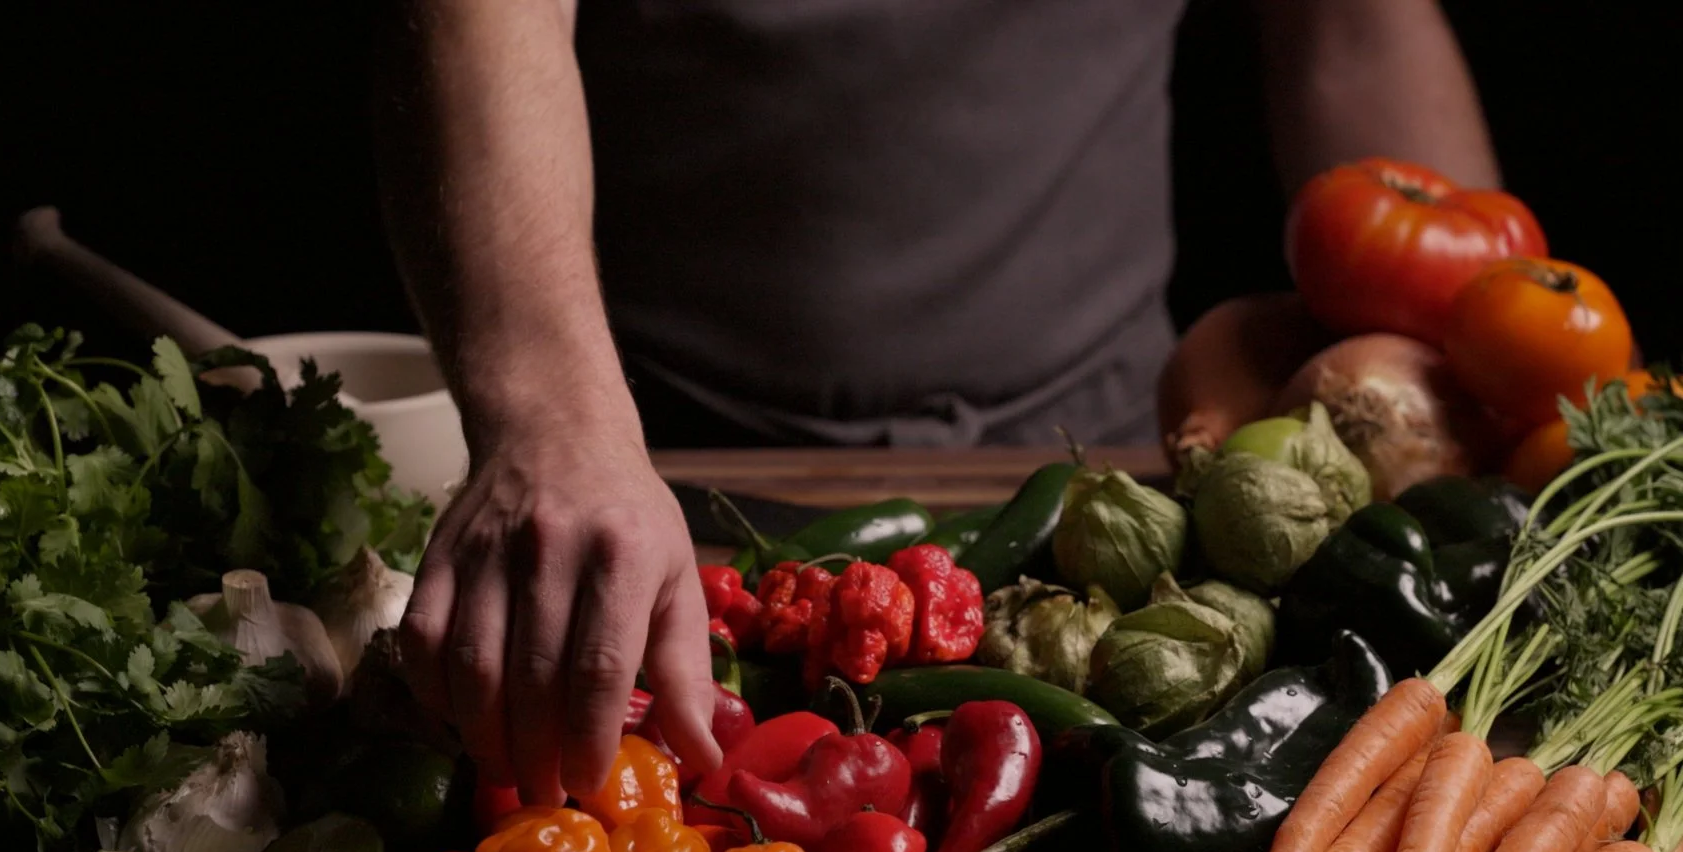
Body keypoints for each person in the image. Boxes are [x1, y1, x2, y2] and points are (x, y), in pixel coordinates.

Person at [374, 0, 1500, 807]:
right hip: (651, 476)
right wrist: (554, 419)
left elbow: (1352, 25)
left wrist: (1473, 373)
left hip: (1110, 477)